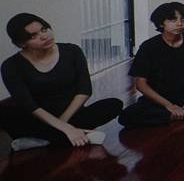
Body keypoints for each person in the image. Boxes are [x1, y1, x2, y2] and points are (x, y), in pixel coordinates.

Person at [1, 13, 122, 151]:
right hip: (38, 118)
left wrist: (63, 124)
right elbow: (28, 105)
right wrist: (66, 128)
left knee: (114, 104)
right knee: (4, 114)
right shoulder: (11, 66)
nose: (44, 36)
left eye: (44, 29)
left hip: (72, 114)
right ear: (21, 43)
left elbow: (84, 90)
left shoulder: (72, 51)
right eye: (33, 36)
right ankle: (79, 135)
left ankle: (43, 139)